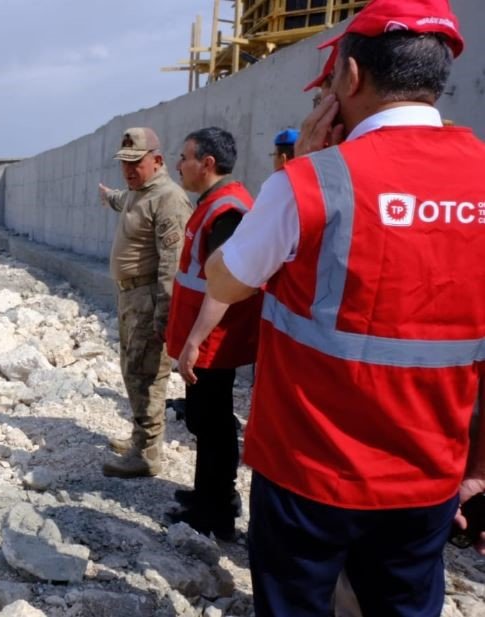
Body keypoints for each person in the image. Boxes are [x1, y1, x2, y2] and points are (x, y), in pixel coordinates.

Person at [203, 0, 485, 614]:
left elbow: (223, 282)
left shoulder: (312, 182)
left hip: (309, 474)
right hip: (426, 474)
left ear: (351, 79)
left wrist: (300, 171)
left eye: (330, 81)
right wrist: (479, 462)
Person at [165, 127, 262, 540]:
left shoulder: (227, 211)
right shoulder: (214, 204)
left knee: (214, 421)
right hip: (207, 338)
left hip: (214, 340)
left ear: (207, 164)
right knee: (206, 420)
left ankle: (217, 510)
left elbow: (224, 283)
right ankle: (210, 493)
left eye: (185, 157)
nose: (178, 165)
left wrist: (195, 341)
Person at [96, 127, 191, 478]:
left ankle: (147, 454)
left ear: (158, 161)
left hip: (150, 299)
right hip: (131, 297)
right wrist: (109, 196)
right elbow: (125, 201)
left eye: (136, 163)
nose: (128, 171)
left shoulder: (167, 198)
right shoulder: (139, 192)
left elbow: (172, 264)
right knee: (132, 369)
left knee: (147, 373)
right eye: (124, 164)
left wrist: (166, 317)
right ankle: (140, 438)